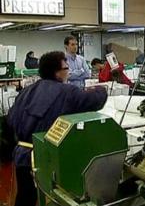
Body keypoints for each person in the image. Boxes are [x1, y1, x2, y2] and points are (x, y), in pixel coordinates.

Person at [8, 51, 107, 206]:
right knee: (48, 198)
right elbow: (94, 101)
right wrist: (102, 89)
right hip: (44, 160)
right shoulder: (66, 91)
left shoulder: (27, 90)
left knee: (25, 197)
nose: (68, 71)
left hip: (20, 155)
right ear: (58, 72)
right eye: (66, 68)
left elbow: (11, 117)